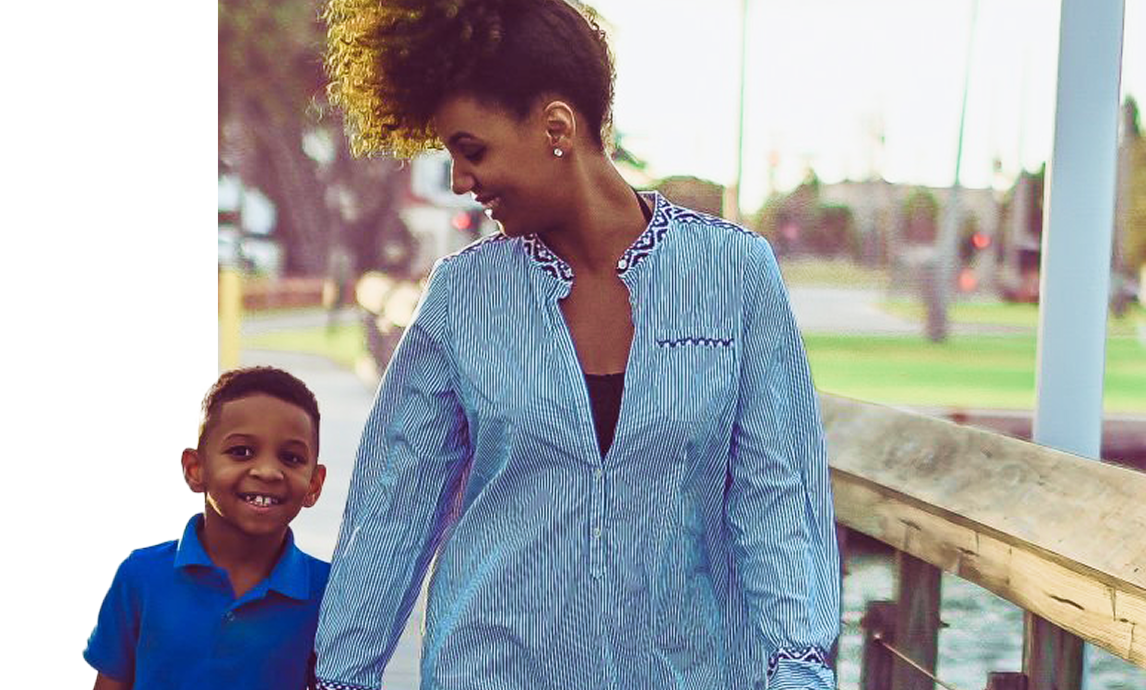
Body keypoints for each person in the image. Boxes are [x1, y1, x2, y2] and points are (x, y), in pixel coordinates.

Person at [309, 1, 841, 689]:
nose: (462, 182)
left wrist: (798, 669)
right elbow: (393, 505)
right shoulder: (463, 297)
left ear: (557, 127)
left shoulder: (734, 276)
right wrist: (345, 677)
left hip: (683, 673)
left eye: (472, 150)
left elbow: (777, 495)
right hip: (491, 670)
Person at [84, 367, 333, 690]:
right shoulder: (141, 576)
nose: (268, 471)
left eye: (291, 458)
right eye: (241, 451)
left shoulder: (329, 594)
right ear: (195, 468)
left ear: (314, 484)